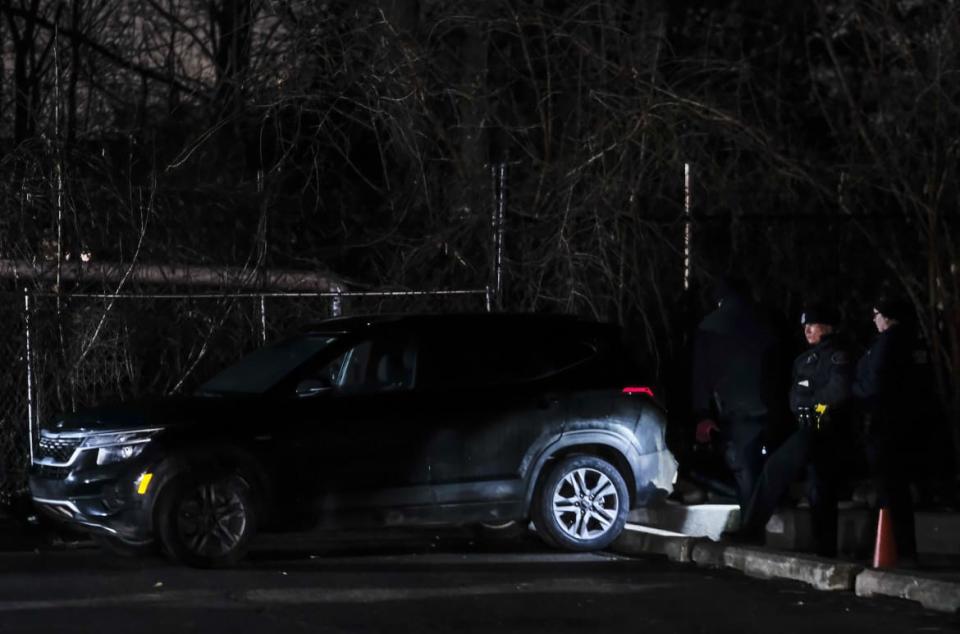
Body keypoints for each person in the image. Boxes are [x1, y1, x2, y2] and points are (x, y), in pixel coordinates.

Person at [740, 304, 853, 555]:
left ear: (827, 326)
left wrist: (813, 400)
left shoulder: (838, 356)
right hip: (808, 427)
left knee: (819, 487)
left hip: (828, 429)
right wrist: (812, 400)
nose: (807, 330)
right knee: (803, 479)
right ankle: (753, 529)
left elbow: (838, 392)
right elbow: (795, 398)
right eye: (804, 327)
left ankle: (824, 548)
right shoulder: (804, 360)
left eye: (812, 325)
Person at [691, 277, 784, 512]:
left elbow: (702, 375)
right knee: (768, 467)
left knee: (744, 470)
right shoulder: (768, 319)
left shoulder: (711, 326)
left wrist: (702, 412)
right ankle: (762, 518)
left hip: (736, 411)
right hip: (772, 407)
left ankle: (751, 525)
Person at [853, 295, 920, 558]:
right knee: (893, 488)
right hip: (899, 424)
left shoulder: (887, 343)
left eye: (876, 314)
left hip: (884, 424)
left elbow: (873, 385)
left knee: (888, 487)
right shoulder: (910, 341)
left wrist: (854, 388)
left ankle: (892, 549)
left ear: (887, 316)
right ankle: (895, 547)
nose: (874, 320)